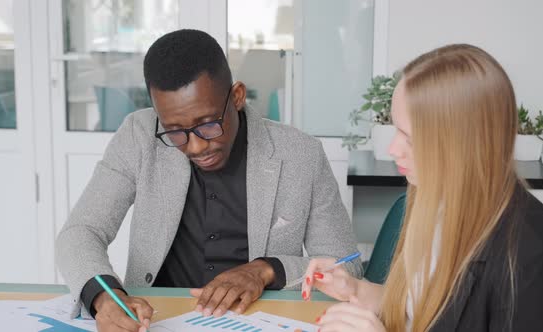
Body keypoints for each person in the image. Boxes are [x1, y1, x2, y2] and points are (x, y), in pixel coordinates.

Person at [56, 29, 362, 332]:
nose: (196, 146)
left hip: (258, 320)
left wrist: (268, 269)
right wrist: (106, 298)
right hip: (157, 320)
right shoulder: (139, 135)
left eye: (208, 125)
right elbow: (81, 231)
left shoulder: (301, 154)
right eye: (174, 131)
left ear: (237, 96)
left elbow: (346, 266)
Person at [302, 44, 543, 331]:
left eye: (410, 138)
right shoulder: (434, 199)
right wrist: (354, 290)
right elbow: (420, 311)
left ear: (462, 145)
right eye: (396, 130)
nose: (394, 149)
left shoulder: (532, 256)